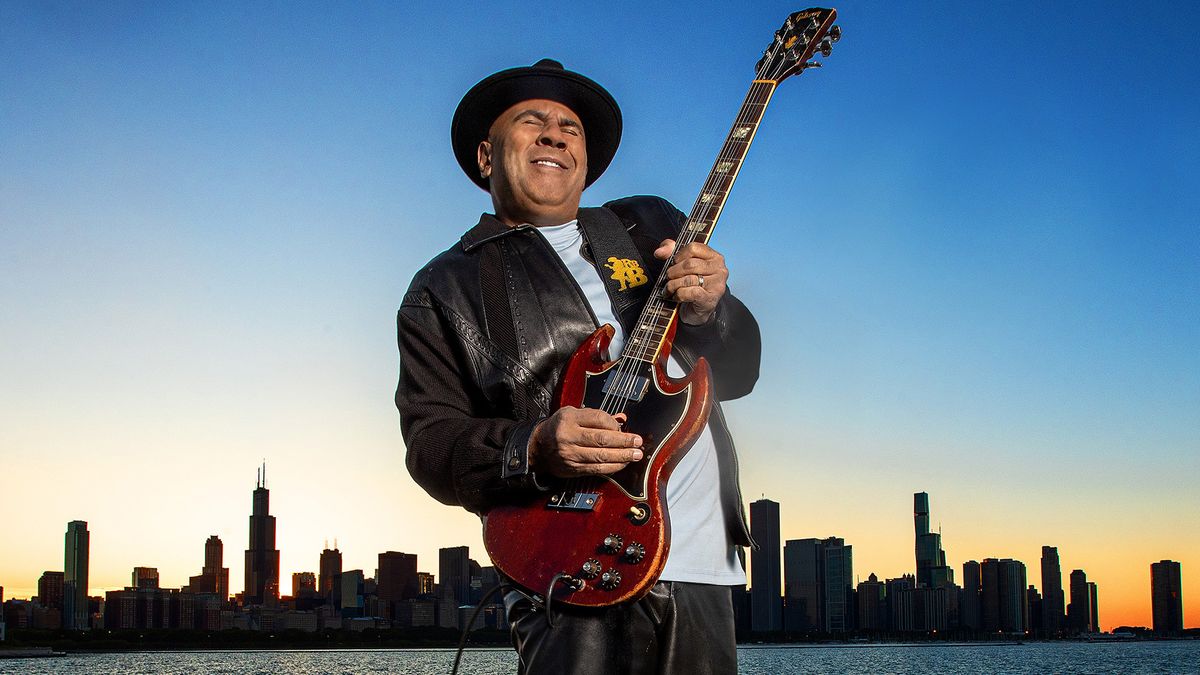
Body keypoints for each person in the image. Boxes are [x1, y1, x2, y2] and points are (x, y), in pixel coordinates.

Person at [396, 58, 761, 674]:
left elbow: (743, 373)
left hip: (701, 562)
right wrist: (533, 446)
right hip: (566, 562)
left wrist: (711, 312)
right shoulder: (444, 286)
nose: (554, 133)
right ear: (487, 157)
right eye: (531, 120)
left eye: (570, 126)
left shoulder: (646, 227)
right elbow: (430, 444)